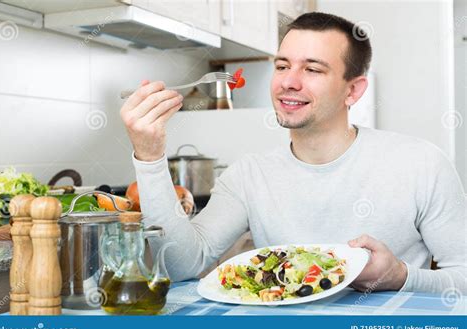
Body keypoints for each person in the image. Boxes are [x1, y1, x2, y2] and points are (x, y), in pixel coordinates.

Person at [120, 12, 466, 294]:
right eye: (283, 66)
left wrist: (400, 277)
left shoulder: (421, 163)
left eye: (312, 69)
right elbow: (180, 265)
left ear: (354, 90)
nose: (289, 82)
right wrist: (150, 156)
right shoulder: (248, 175)